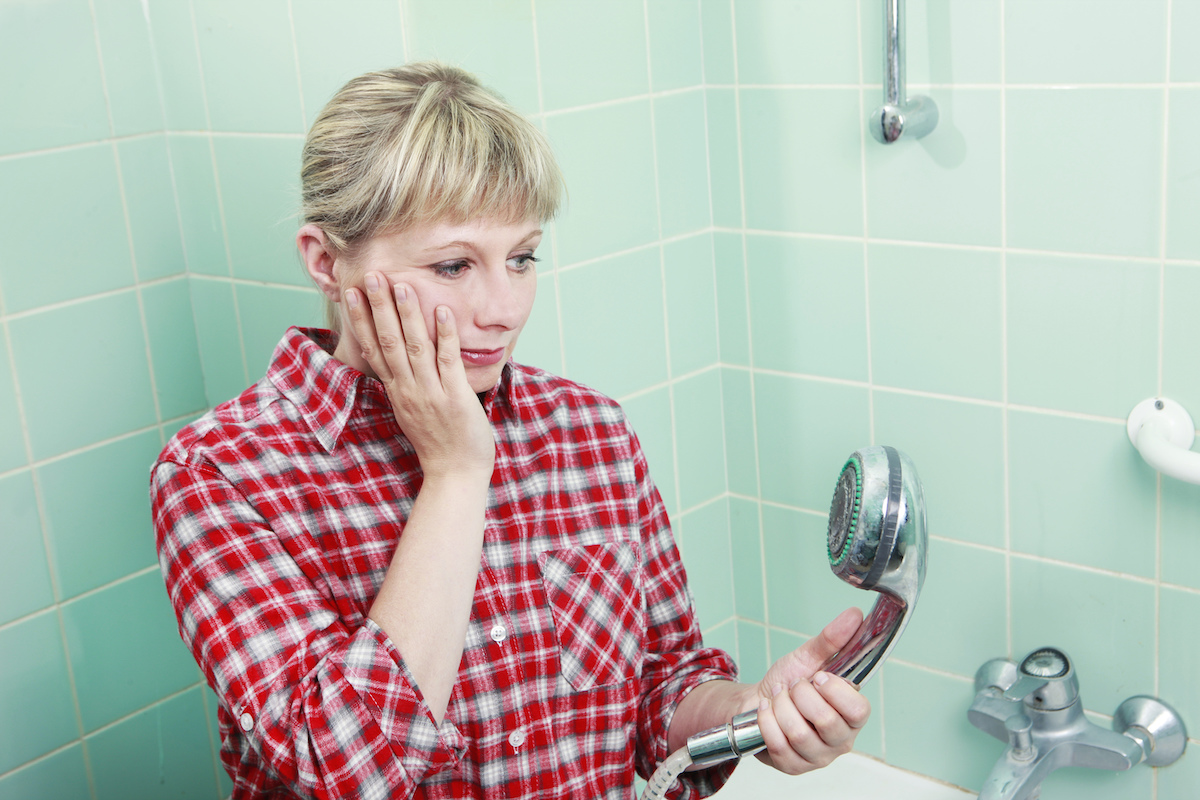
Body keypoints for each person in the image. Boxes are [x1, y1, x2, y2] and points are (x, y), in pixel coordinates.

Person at [151, 62, 870, 800]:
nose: (504, 309)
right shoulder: (221, 474)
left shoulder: (590, 433)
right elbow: (348, 770)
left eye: (522, 258)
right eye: (454, 265)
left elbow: (662, 689)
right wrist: (456, 474)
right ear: (327, 262)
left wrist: (753, 715)